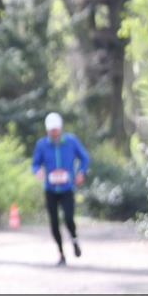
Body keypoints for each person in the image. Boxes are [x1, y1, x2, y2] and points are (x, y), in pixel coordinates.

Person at [31, 112, 90, 267]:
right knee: (54, 222)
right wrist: (38, 171)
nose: (54, 133)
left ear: (60, 128)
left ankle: (74, 239)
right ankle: (61, 254)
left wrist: (81, 172)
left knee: (69, 218)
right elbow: (35, 163)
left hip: (67, 188)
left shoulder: (70, 141)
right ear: (47, 130)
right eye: (51, 130)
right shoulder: (42, 144)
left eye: (56, 130)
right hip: (50, 189)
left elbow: (84, 157)